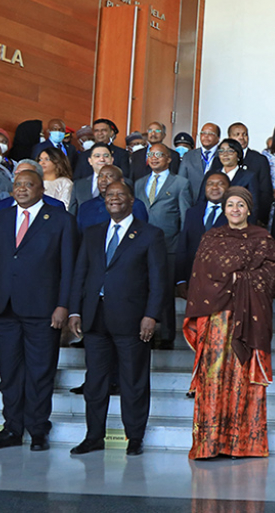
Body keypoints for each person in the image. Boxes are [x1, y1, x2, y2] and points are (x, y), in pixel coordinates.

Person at [0, 170, 75, 452]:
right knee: (10, 371)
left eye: (29, 185)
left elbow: (68, 269)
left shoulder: (61, 220)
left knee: (40, 371)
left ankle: (38, 429)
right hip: (4, 307)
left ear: (42, 190)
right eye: (18, 185)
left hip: (44, 309)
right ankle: (12, 428)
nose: (22, 189)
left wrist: (63, 305)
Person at [183, 186, 275, 460]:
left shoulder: (262, 238)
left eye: (241, 205)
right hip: (215, 319)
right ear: (224, 209)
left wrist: (243, 280)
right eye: (230, 205)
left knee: (242, 379)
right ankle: (209, 443)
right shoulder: (211, 237)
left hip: (247, 319)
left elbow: (273, 271)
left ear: (249, 209)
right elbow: (201, 276)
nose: (235, 210)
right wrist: (233, 278)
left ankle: (242, 444)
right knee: (213, 378)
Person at [67, 182, 167, 456]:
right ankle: (93, 436)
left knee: (133, 381)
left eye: (119, 195)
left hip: (133, 319)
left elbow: (158, 280)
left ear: (131, 200)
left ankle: (134, 437)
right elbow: (80, 275)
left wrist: (151, 315)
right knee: (95, 381)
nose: (114, 199)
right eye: (109, 195)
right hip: (95, 318)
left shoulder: (150, 234)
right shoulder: (92, 233)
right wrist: (75, 310)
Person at [135, 145, 191, 348]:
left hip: (169, 246)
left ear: (169, 159)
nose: (154, 158)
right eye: (151, 154)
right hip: (141, 245)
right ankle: (144, 333)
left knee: (164, 291)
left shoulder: (180, 183)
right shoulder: (139, 183)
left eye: (159, 155)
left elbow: (185, 219)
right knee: (142, 289)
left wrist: (182, 246)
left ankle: (166, 335)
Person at [175, 173, 229, 295]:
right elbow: (183, 246)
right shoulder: (192, 212)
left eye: (220, 184)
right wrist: (181, 279)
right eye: (210, 184)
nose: (214, 187)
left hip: (223, 284)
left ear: (229, 189)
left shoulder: (235, 214)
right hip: (194, 280)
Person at [76, 164, 148, 233]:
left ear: (121, 181)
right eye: (100, 176)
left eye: (109, 176)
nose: (103, 180)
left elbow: (141, 233)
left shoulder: (134, 205)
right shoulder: (85, 206)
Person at [207, 139, 264, 223]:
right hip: (211, 220)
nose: (225, 154)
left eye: (230, 151)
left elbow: (253, 206)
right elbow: (202, 200)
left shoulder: (249, 176)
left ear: (238, 155)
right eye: (221, 151)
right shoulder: (211, 175)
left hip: (237, 223)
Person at [226, 123, 274, 221]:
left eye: (245, 134)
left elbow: (265, 192)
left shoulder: (259, 160)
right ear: (229, 137)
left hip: (250, 217)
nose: (242, 138)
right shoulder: (220, 159)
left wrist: (260, 218)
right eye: (237, 134)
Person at [68, 143, 114, 217]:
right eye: (97, 156)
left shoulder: (124, 183)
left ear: (111, 160)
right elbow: (72, 213)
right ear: (90, 161)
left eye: (106, 156)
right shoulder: (79, 184)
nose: (102, 159)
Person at [180, 123, 223, 201]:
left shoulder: (223, 155)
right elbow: (181, 184)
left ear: (218, 138)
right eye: (203, 133)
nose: (206, 136)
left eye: (210, 133)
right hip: (192, 203)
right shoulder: (189, 156)